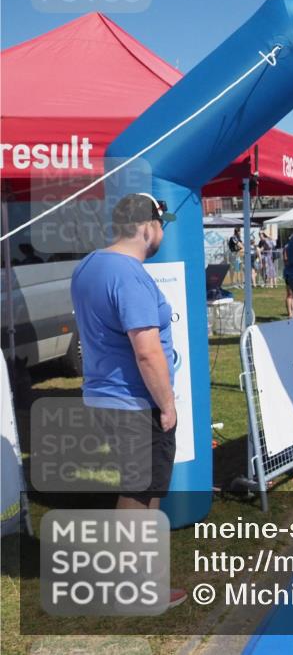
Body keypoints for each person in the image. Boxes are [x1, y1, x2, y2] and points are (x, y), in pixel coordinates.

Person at [69, 193, 186, 608]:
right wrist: (167, 405)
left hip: (103, 395)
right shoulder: (129, 275)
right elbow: (147, 351)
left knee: (139, 488)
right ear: (146, 226)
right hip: (134, 401)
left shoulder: (88, 266)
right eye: (162, 225)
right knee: (139, 494)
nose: (163, 233)